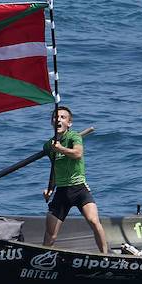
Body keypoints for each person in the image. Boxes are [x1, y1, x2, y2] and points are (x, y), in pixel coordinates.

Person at [41, 106, 108, 253]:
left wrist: (60, 149)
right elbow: (54, 169)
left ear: (69, 123)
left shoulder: (74, 137)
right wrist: (50, 189)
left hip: (79, 189)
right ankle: (43, 257)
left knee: (94, 221)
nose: (58, 119)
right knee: (50, 234)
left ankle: (105, 256)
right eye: (55, 117)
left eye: (62, 117)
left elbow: (78, 154)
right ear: (51, 122)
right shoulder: (48, 146)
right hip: (62, 192)